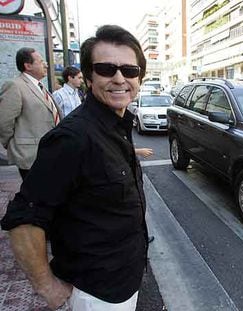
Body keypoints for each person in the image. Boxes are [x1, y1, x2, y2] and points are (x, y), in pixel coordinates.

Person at [1, 25, 148, 310]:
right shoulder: (72, 138)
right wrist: (47, 287)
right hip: (96, 294)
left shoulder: (117, 125)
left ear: (139, 77)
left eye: (129, 71)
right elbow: (24, 219)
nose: (120, 78)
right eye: (107, 69)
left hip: (124, 280)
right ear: (89, 77)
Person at [0, 47, 62, 179]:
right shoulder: (14, 85)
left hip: (50, 152)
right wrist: (13, 144)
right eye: (40, 61)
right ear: (28, 65)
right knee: (36, 195)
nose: (45, 64)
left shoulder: (40, 86)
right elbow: (4, 121)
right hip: (30, 156)